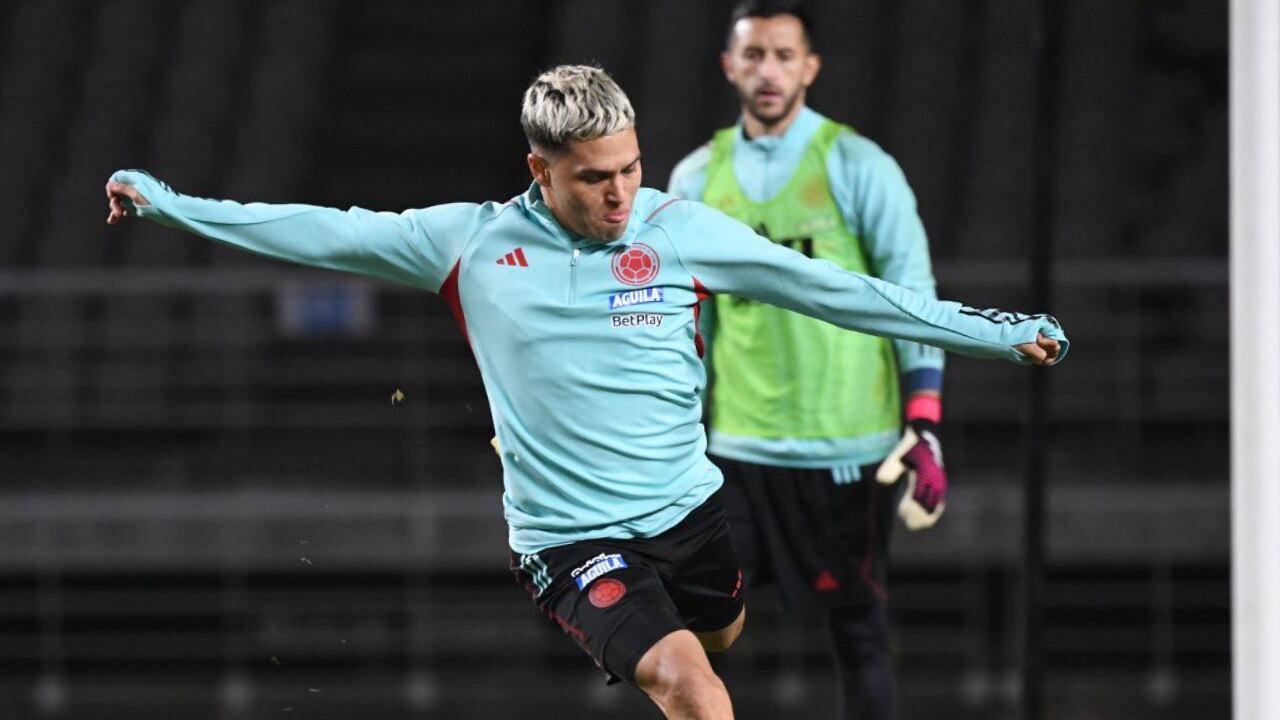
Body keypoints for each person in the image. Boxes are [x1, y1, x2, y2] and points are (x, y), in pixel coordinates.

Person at [105, 64, 1066, 720]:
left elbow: (841, 294)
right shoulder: (469, 244)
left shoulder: (678, 230)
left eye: (631, 170)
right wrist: (171, 201)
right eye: (594, 179)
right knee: (692, 687)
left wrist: (995, 333)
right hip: (572, 541)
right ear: (540, 170)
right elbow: (318, 229)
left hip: (692, 512)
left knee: (720, 631)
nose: (620, 196)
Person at [666, 3, 978, 717]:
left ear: (810, 66)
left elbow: (911, 299)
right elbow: (684, 326)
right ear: (728, 67)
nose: (768, 70)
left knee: (859, 634)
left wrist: (924, 421)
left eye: (783, 54)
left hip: (849, 453)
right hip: (736, 454)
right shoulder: (693, 180)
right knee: (691, 630)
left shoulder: (859, 167)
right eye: (753, 56)